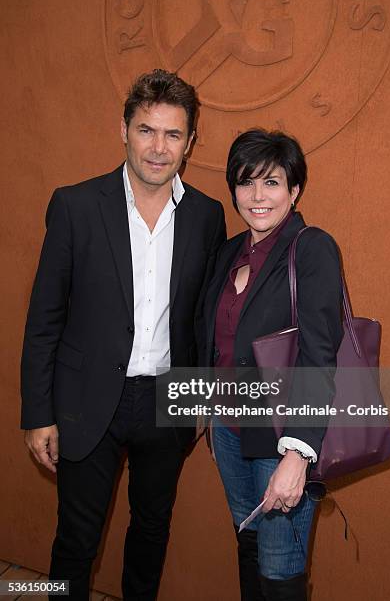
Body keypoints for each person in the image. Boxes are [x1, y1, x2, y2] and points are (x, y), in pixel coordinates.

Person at [21, 68, 226, 600]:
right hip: (88, 399)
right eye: (146, 130)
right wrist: (38, 412)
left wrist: (201, 395)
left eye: (173, 134)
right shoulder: (75, 206)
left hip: (167, 399)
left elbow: (206, 316)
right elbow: (44, 317)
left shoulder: (207, 216)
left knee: (152, 529)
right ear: (124, 130)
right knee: (76, 540)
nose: (158, 148)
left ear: (189, 142)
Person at [204, 130, 343, 600]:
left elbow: (319, 356)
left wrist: (297, 453)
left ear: (294, 190)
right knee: (248, 547)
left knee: (280, 572)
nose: (257, 196)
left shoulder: (311, 248)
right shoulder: (228, 253)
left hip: (280, 438)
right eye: (246, 183)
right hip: (227, 430)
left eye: (272, 182)